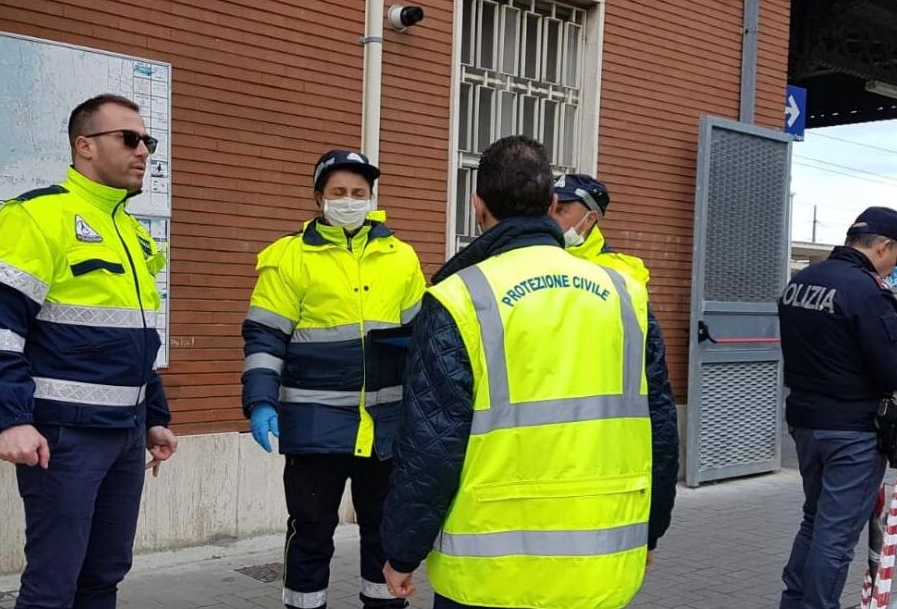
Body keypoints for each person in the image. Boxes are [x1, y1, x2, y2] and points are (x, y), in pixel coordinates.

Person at [380, 135, 664, 609]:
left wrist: (402, 552)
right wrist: (651, 531)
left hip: (489, 573)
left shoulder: (459, 298)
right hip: (601, 564)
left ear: (478, 206)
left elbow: (431, 445)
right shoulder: (626, 294)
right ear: (553, 204)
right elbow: (661, 427)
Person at [0, 94, 177, 609]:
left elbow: (134, 340)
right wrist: (10, 419)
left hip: (125, 437)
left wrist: (153, 416)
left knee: (104, 575)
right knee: (52, 585)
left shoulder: (130, 231)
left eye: (147, 140)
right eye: (129, 138)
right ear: (84, 146)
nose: (143, 150)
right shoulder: (38, 217)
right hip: (64, 436)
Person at [241, 149, 424, 609]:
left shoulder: (400, 257)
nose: (350, 200)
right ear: (319, 196)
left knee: (384, 532)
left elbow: (421, 342)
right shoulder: (288, 258)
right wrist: (261, 401)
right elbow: (265, 337)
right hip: (315, 426)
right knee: (311, 532)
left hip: (383, 426)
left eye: (359, 193)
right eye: (339, 192)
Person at [777, 206, 897, 609]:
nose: (894, 270)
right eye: (896, 260)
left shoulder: (803, 281)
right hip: (852, 430)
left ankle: (793, 602)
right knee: (836, 535)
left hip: (806, 421)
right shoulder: (866, 290)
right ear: (883, 246)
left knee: (814, 521)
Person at [550, 172, 679, 555]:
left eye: (562, 209)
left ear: (590, 218)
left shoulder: (621, 274)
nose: (551, 216)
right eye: (549, 206)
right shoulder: (525, 259)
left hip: (597, 444)